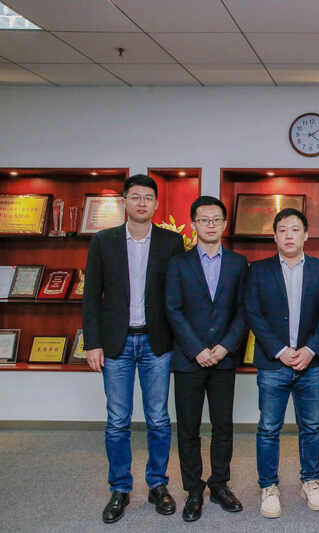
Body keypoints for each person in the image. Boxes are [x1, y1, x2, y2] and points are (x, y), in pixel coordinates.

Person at [83, 174, 185, 524]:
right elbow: (91, 296)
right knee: (117, 420)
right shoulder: (103, 241)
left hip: (157, 342)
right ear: (124, 201)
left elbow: (177, 294)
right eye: (135, 196)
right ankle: (120, 488)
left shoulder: (171, 242)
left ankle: (158, 484)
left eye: (148, 197)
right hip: (117, 342)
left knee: (158, 418)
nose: (142, 203)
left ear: (156, 204)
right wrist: (92, 342)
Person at [244, 208, 319, 519]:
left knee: (312, 426)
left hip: (311, 363)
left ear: (306, 234)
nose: (289, 235)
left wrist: (310, 349)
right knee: (269, 428)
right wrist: (280, 350)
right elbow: (253, 313)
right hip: (273, 364)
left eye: (295, 229)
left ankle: (310, 481)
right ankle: (269, 486)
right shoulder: (258, 270)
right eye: (282, 230)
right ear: (275, 236)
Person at [165, 196, 249, 522]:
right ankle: (193, 489)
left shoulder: (238, 263)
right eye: (204, 220)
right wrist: (196, 349)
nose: (210, 225)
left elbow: (243, 310)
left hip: (224, 359)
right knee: (188, 428)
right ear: (193, 224)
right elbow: (173, 309)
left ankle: (219, 484)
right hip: (189, 359)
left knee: (222, 426)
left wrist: (225, 346)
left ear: (225, 224)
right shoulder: (178, 263)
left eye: (216, 220)